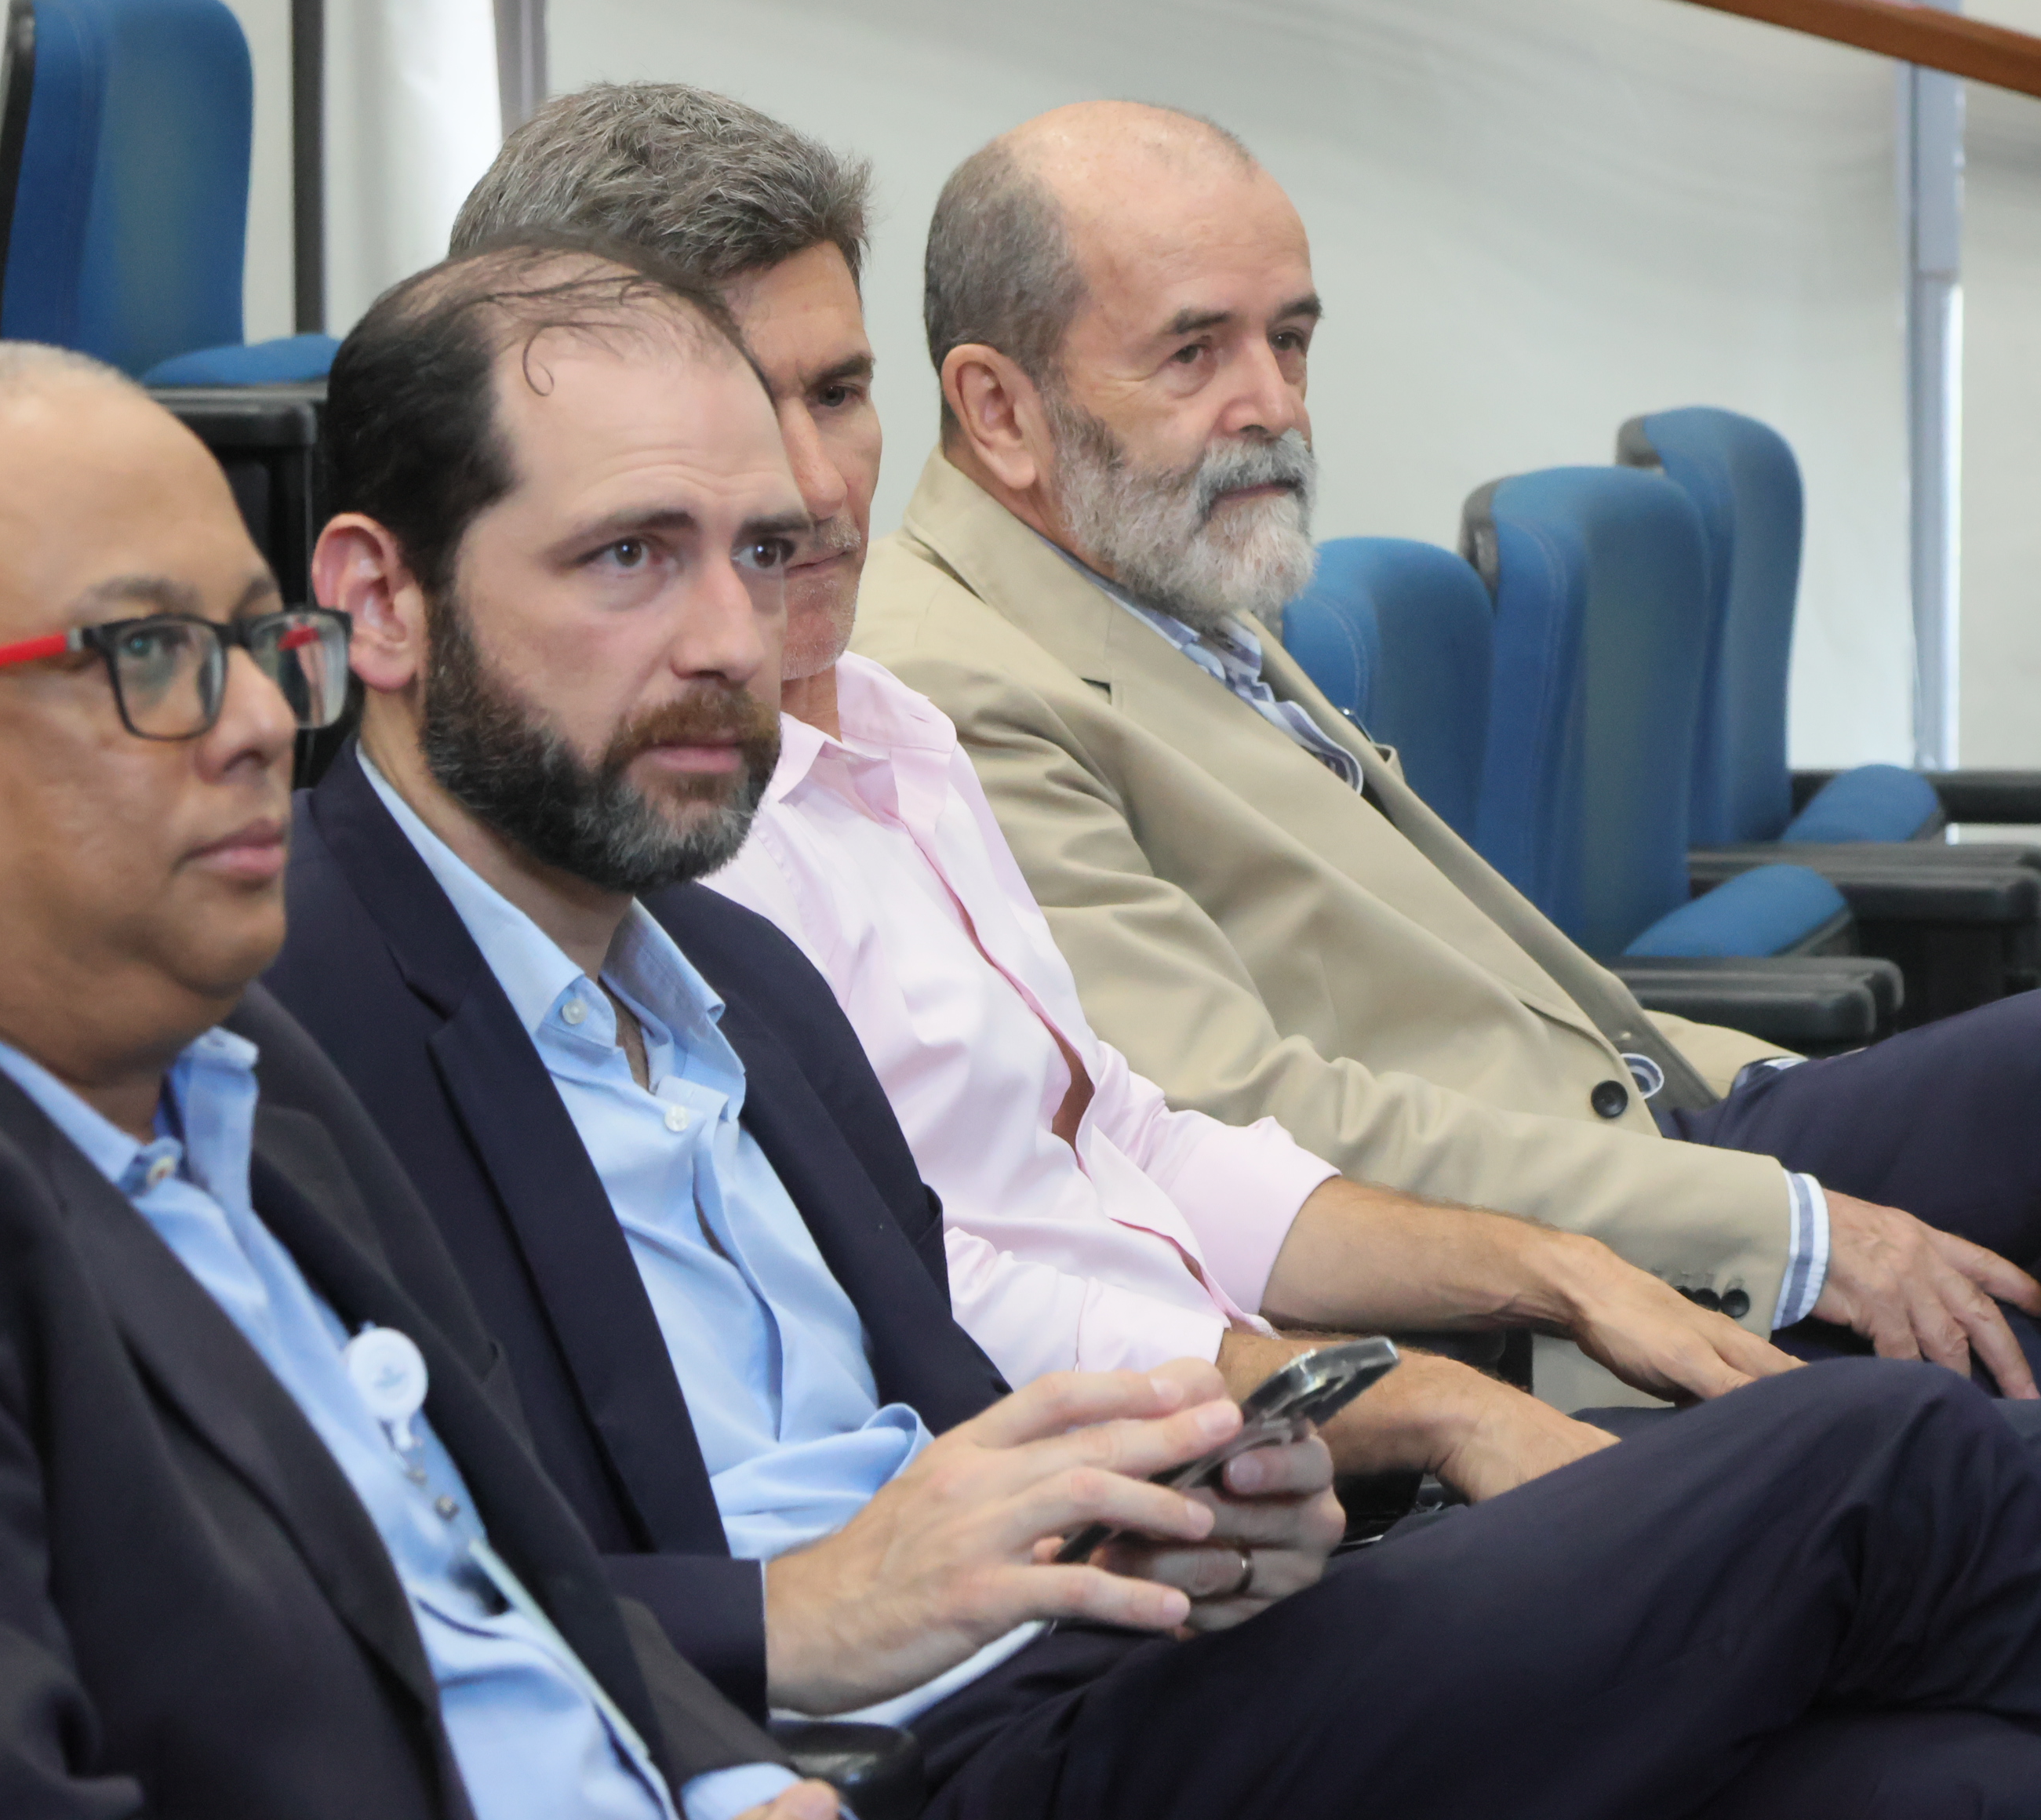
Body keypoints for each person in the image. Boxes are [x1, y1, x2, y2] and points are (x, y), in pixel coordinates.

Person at [267, 233, 2041, 1815]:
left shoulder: (739, 973)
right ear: (378, 600)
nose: (732, 635)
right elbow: (306, 1609)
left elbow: (985, 1346)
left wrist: (1168, 1514)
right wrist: (803, 1610)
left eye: (760, 551)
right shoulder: (274, 1035)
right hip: (866, 1759)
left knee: (1948, 1776)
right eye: (632, 558)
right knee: (1876, 1454)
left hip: (1091, 1652)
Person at [0, 343, 835, 1820]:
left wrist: (740, 1786)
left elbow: (505, 1575)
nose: (261, 724)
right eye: (151, 657)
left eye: (260, 643)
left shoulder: (221, 1053)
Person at [443, 81, 1812, 1506]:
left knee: (1892, 1457)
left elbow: (1130, 1137)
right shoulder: (664, 837)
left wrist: (1557, 1273)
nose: (816, 487)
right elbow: (926, 1291)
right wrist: (1406, 1409)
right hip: (1123, 1511)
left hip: (1261, 1438)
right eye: (733, 410)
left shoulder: (900, 725)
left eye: (841, 395)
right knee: (1889, 1473)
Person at [854, 99, 2041, 1407]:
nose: (1274, 406)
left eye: (1289, 340)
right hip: (1532, 1279)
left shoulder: (1155, 569)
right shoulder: (949, 683)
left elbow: (1492, 1000)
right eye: (1194, 352)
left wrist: (1772, 1093)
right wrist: (1790, 1229)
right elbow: (1241, 1126)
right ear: (999, 409)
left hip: (1645, 1125)